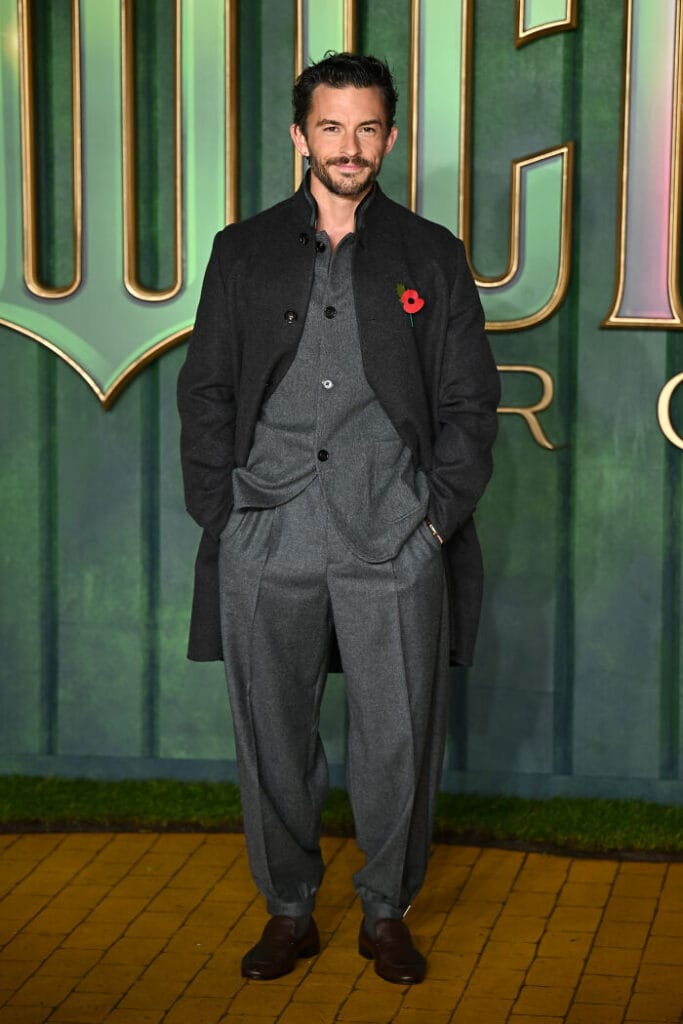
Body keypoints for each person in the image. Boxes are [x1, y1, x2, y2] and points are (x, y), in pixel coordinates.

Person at [177, 52, 499, 985]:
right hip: (265, 530)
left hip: (391, 535)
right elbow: (206, 392)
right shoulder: (242, 250)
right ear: (298, 136)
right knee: (272, 735)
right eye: (330, 127)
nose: (348, 146)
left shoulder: (429, 254)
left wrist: (430, 523)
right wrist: (223, 513)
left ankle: (385, 913)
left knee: (398, 738)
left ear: (388, 137)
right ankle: (288, 910)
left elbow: (469, 405)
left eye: (366, 128)